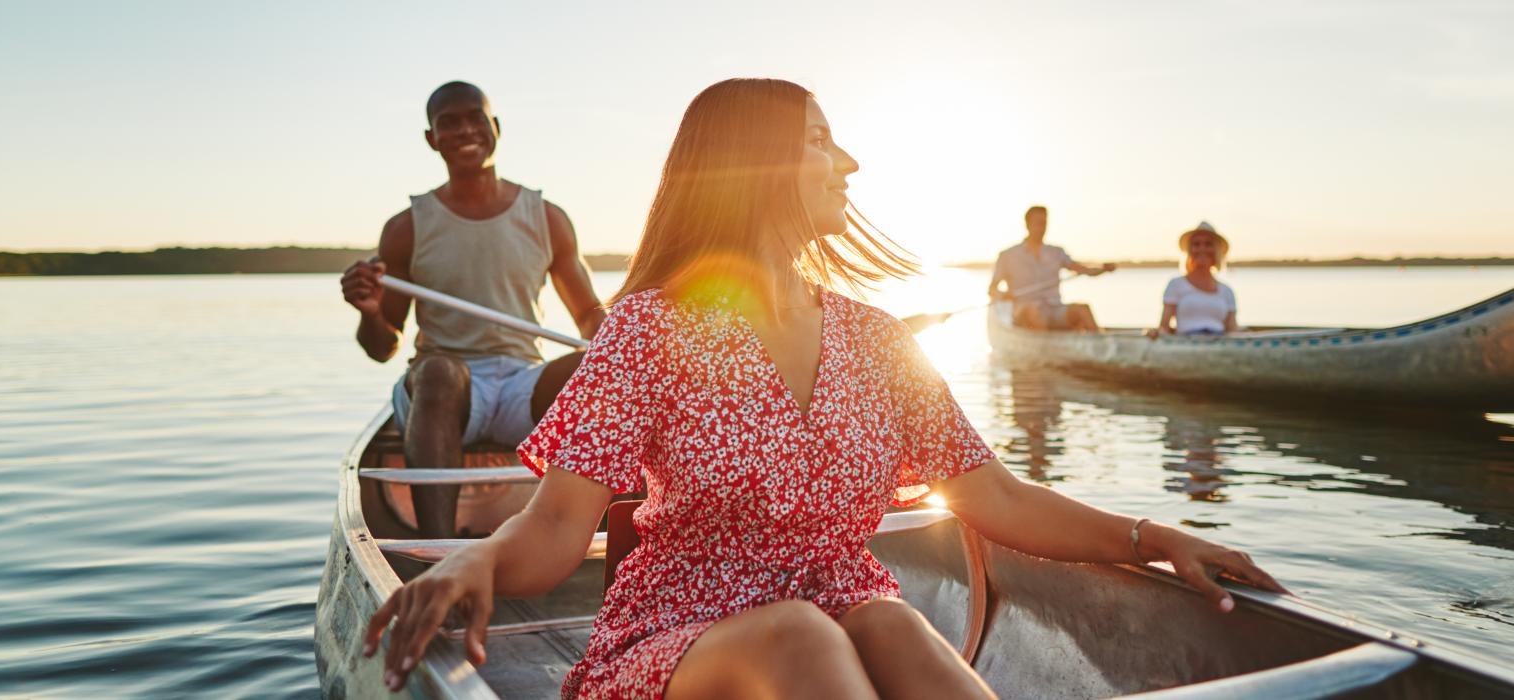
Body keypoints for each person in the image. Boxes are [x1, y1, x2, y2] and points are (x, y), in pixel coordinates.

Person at [363, 78, 1285, 699]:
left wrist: (1154, 538)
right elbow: (559, 528)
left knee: (894, 630)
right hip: (680, 639)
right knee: (806, 633)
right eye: (819, 143)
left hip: (844, 613)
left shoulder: (878, 342)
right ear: (757, 168)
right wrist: (474, 559)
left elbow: (994, 494)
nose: (848, 165)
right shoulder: (649, 328)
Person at [339, 81, 605, 539]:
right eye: (449, 123)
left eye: (475, 119)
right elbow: (383, 348)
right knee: (440, 372)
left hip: (522, 381)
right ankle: (438, 555)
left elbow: (589, 320)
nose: (465, 130)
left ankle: (589, 541)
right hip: (446, 391)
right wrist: (368, 312)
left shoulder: (547, 217)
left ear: (495, 128)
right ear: (431, 139)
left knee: (595, 366)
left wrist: (630, 343)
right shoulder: (407, 227)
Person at [987, 206, 1116, 331]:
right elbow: (992, 289)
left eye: (1044, 223)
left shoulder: (1056, 252)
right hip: (1024, 310)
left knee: (1083, 309)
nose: (1042, 228)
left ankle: (1100, 346)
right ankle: (1043, 349)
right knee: (1034, 311)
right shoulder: (1008, 255)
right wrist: (1003, 295)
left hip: (1054, 309)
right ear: (1027, 225)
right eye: (1038, 223)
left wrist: (1103, 269)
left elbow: (1085, 270)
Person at [1148, 221, 1237, 338]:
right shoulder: (1176, 284)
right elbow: (1164, 326)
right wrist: (1154, 333)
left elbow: (1233, 330)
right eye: (1196, 244)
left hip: (1219, 343)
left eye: (1208, 244)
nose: (1202, 249)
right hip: (1185, 343)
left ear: (1216, 250)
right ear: (1190, 250)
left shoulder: (1227, 291)